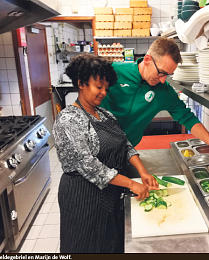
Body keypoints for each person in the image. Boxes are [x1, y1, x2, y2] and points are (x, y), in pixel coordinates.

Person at [52, 53, 159, 253]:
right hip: (83, 198)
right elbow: (89, 165)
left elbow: (125, 144)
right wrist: (130, 183)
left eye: (106, 88)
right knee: (85, 245)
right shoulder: (68, 120)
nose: (103, 93)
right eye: (98, 86)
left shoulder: (105, 114)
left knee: (111, 244)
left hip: (110, 194)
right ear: (81, 83)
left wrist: (142, 172)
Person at [100, 37, 209, 170]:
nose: (163, 80)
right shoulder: (114, 72)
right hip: (94, 149)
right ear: (147, 60)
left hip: (125, 154)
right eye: (161, 73)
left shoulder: (164, 91)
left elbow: (187, 118)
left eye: (167, 75)